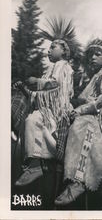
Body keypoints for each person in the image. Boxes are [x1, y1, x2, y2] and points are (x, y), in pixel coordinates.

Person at [54, 38, 102, 206]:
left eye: (98, 54)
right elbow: (84, 98)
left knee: (80, 127)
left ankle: (79, 181)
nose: (93, 58)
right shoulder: (96, 76)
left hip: (98, 117)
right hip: (89, 111)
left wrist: (80, 110)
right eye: (91, 55)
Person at [15, 18, 80, 186]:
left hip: (57, 112)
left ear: (64, 51)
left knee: (33, 120)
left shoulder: (63, 66)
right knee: (28, 119)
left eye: (53, 47)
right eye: (49, 47)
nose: (48, 50)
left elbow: (57, 87)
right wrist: (25, 90)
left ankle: (36, 165)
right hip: (47, 109)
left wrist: (37, 81)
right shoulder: (50, 69)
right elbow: (41, 94)